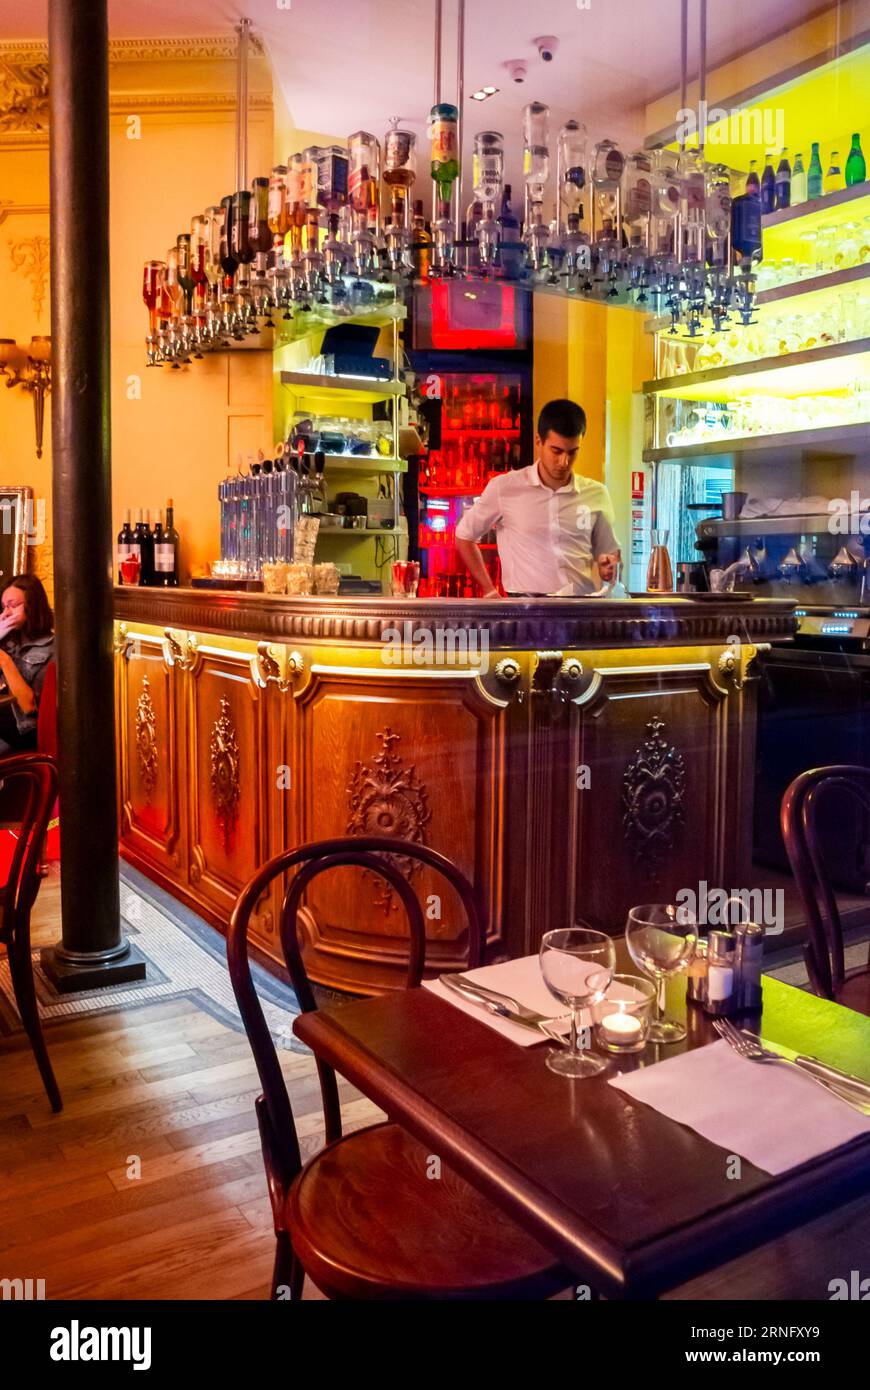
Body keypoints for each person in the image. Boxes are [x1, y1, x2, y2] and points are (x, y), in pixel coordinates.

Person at [455, 398, 621, 597]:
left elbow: (609, 554)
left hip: (581, 610)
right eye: (556, 451)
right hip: (525, 609)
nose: (564, 462)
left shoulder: (597, 493)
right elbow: (464, 535)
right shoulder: (505, 488)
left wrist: (608, 567)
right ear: (538, 442)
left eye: (573, 452)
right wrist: (489, 590)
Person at [0, 574, 54, 755]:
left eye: (13, 606)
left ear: (32, 606)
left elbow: (29, 706)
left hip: (24, 729)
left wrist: (4, 660)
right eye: (4, 607)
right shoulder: (9, 640)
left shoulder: (51, 649)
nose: (6, 613)